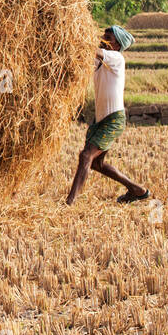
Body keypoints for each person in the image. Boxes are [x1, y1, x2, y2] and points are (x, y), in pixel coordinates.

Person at [66, 24, 150, 205]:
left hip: (113, 119)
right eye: (103, 37)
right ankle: (137, 190)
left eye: (108, 39)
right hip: (101, 119)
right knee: (97, 164)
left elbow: (92, 50)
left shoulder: (116, 58)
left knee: (86, 156)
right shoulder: (101, 61)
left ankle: (70, 202)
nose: (103, 41)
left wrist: (74, 36)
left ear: (117, 45)